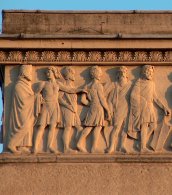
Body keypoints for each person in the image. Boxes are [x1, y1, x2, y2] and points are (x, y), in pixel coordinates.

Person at [34, 66, 84, 154]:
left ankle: (49, 147)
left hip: (55, 106)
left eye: (49, 72)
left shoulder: (58, 84)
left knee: (52, 127)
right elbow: (35, 95)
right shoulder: (43, 84)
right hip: (46, 106)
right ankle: (34, 148)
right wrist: (39, 98)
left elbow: (69, 90)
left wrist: (80, 90)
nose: (47, 74)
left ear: (54, 73)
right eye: (46, 73)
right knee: (42, 126)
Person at [127, 65, 170, 153]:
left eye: (151, 72)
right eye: (148, 72)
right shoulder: (138, 82)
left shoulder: (151, 83)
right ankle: (142, 147)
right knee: (144, 125)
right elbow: (133, 95)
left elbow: (155, 98)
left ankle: (142, 143)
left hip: (149, 106)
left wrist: (164, 108)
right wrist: (142, 101)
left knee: (153, 125)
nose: (150, 74)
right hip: (142, 107)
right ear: (144, 72)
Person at [77, 66, 111, 153]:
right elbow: (102, 99)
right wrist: (107, 110)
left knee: (91, 126)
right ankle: (90, 146)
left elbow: (82, 100)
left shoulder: (86, 86)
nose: (101, 74)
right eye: (99, 73)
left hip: (92, 107)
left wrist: (91, 104)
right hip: (99, 107)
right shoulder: (98, 85)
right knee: (96, 126)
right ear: (94, 74)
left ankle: (84, 144)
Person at [8, 65, 34, 154]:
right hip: (21, 111)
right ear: (24, 73)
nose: (31, 74)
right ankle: (11, 144)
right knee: (25, 125)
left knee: (29, 126)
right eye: (29, 72)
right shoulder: (19, 86)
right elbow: (23, 101)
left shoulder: (25, 85)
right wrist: (35, 97)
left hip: (27, 111)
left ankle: (22, 146)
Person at [105, 66, 131, 154]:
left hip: (128, 109)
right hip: (117, 109)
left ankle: (121, 145)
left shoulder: (130, 85)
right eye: (120, 74)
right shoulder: (114, 85)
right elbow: (107, 97)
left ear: (127, 76)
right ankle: (111, 146)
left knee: (125, 129)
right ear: (118, 76)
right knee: (116, 128)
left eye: (124, 74)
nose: (122, 75)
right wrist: (109, 110)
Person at [59, 67, 82, 153]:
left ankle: (78, 145)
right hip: (67, 109)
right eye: (72, 73)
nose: (74, 75)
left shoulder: (73, 87)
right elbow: (59, 98)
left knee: (79, 128)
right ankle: (66, 148)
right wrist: (67, 105)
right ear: (68, 75)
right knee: (67, 128)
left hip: (74, 109)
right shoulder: (63, 86)